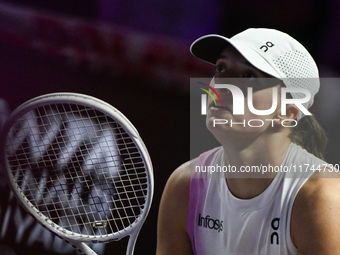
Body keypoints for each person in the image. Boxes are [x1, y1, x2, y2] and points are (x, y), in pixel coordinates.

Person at [156, 28, 340, 255]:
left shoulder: (321, 199)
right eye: (221, 68)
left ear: (286, 112)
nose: (221, 85)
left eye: (248, 76)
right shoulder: (184, 185)